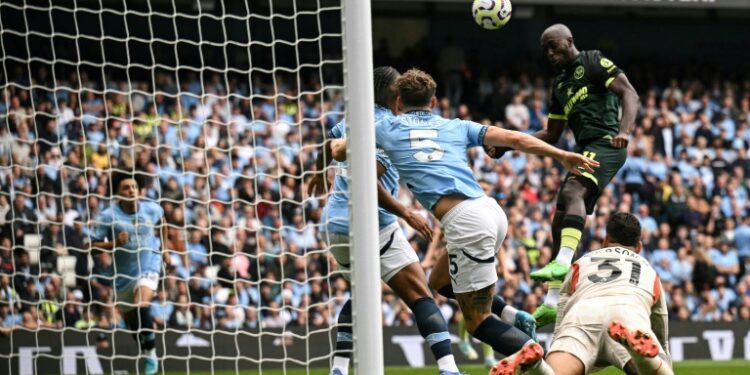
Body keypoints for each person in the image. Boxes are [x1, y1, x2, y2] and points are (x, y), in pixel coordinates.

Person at [355, 68, 597, 369]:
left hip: (467, 223)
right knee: (439, 281)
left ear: (399, 100)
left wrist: (335, 149)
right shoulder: (455, 125)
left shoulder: (386, 128)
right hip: (490, 212)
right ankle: (512, 315)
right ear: (433, 103)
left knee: (477, 323)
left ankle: (535, 358)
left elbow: (347, 148)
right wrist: (562, 155)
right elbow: (514, 138)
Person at [309, 66, 462, 375]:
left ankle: (338, 369)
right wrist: (406, 212)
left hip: (334, 226)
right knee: (420, 294)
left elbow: (328, 141)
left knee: (361, 293)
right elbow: (366, 180)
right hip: (372, 224)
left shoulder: (355, 120)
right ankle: (448, 369)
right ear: (397, 96)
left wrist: (317, 173)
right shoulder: (390, 127)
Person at [490, 23, 640, 327]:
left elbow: (629, 93)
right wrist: (508, 145)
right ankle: (552, 303)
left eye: (553, 46)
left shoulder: (593, 61)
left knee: (573, 192)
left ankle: (561, 263)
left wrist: (624, 131)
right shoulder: (559, 85)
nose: (549, 53)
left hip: (608, 143)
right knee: (559, 218)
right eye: (545, 49)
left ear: (569, 41)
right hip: (584, 151)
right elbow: (552, 133)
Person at [491, 212, 672, 375]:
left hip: (583, 314)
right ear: (639, 247)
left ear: (606, 240)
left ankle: (538, 368)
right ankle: (643, 359)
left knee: (556, 373)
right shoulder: (648, 270)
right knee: (653, 365)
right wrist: (664, 360)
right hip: (627, 317)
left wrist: (557, 348)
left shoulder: (581, 262)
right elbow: (661, 333)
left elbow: (562, 311)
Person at [89, 173, 168, 375]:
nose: (132, 190)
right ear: (117, 193)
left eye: (134, 187)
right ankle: (145, 348)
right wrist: (114, 243)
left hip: (150, 263)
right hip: (123, 275)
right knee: (133, 322)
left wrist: (165, 249)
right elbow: (92, 248)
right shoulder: (108, 216)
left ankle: (150, 354)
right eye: (126, 187)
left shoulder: (151, 208)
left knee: (141, 303)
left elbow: (163, 222)